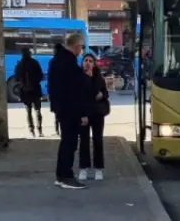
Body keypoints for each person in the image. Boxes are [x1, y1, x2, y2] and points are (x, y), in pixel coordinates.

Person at [47, 32, 91, 189]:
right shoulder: (69, 62)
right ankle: (66, 176)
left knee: (66, 142)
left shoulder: (55, 61)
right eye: (82, 46)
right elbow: (76, 90)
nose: (81, 50)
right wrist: (86, 75)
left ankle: (61, 175)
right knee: (70, 144)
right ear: (77, 46)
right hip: (70, 110)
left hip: (61, 108)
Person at [77, 54, 109, 181]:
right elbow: (79, 96)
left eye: (90, 61)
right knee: (84, 141)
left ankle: (98, 169)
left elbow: (103, 93)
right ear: (82, 63)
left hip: (97, 114)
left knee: (98, 141)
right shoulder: (78, 77)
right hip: (84, 114)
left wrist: (101, 93)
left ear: (94, 64)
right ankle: (84, 168)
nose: (88, 63)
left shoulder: (98, 78)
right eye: (85, 60)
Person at [14, 47, 45, 137]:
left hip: (25, 92)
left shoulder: (19, 65)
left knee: (28, 112)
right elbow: (40, 75)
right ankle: (40, 130)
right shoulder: (35, 62)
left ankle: (32, 131)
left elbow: (16, 78)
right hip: (35, 90)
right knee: (38, 111)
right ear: (29, 53)